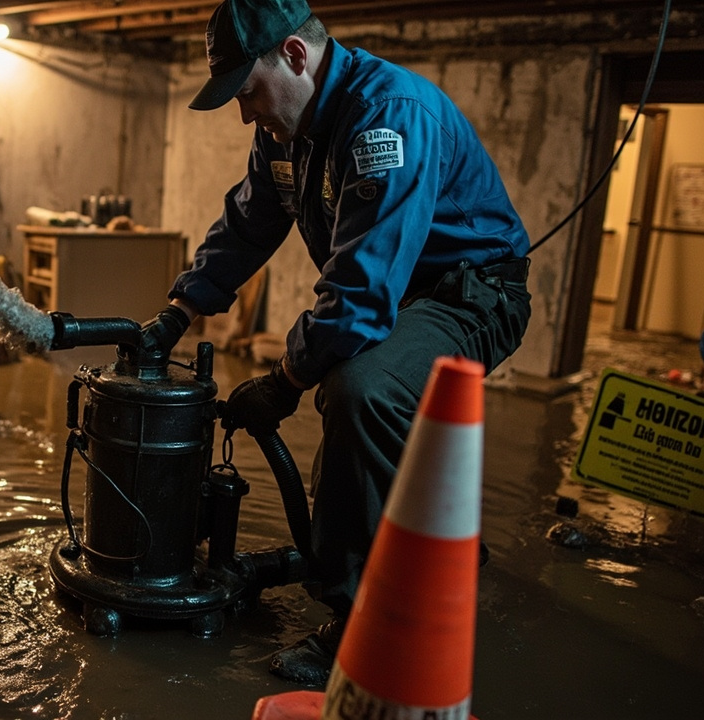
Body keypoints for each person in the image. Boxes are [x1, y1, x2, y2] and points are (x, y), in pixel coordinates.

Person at [139, 0, 532, 686]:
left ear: (294, 55)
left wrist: (284, 381)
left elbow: (360, 292)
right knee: (360, 370)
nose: (244, 114)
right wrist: (179, 311)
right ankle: (443, 544)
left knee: (359, 389)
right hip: (401, 291)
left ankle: (364, 627)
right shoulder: (285, 130)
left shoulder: (388, 118)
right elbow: (248, 224)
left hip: (471, 295)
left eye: (247, 91)